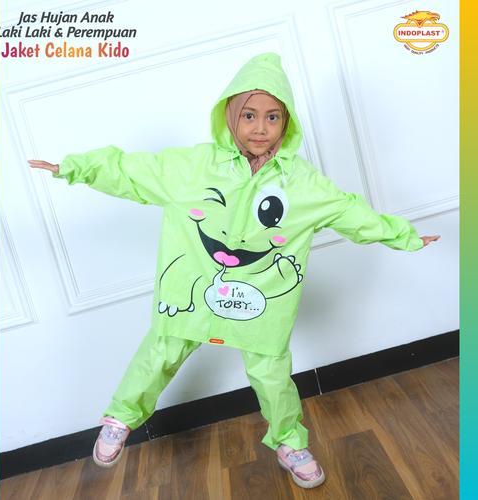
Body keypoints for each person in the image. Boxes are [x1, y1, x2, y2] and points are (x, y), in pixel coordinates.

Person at [28, 52, 440, 490]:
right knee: (161, 351)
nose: (260, 128)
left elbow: (348, 212)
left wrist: (403, 236)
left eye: (272, 117)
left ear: (287, 122)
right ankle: (120, 418)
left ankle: (289, 442)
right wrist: (73, 168)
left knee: (272, 375)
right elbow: (130, 170)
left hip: (260, 304)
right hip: (192, 291)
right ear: (229, 115)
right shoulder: (192, 168)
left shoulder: (301, 183)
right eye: (249, 115)